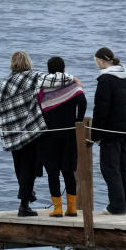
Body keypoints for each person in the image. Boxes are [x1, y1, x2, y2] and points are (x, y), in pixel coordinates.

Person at [0, 51, 79, 217]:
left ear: (12, 64)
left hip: (12, 134)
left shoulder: (1, 84)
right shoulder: (35, 77)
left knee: (20, 167)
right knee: (29, 168)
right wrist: (73, 79)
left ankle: (26, 196)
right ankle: (24, 203)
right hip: (32, 130)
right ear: (28, 63)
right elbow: (59, 78)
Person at [91, 47, 126, 215]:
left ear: (102, 61)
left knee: (109, 167)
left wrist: (94, 135)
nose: (96, 65)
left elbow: (101, 109)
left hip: (112, 130)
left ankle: (117, 206)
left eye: (96, 61)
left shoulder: (106, 79)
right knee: (124, 167)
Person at [37, 56, 87, 217]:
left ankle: (57, 208)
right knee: (68, 171)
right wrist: (78, 120)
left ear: (48, 70)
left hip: (49, 134)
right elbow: (83, 101)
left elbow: (36, 106)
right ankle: (71, 208)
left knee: (53, 172)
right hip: (68, 132)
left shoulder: (43, 87)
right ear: (64, 70)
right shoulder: (73, 85)